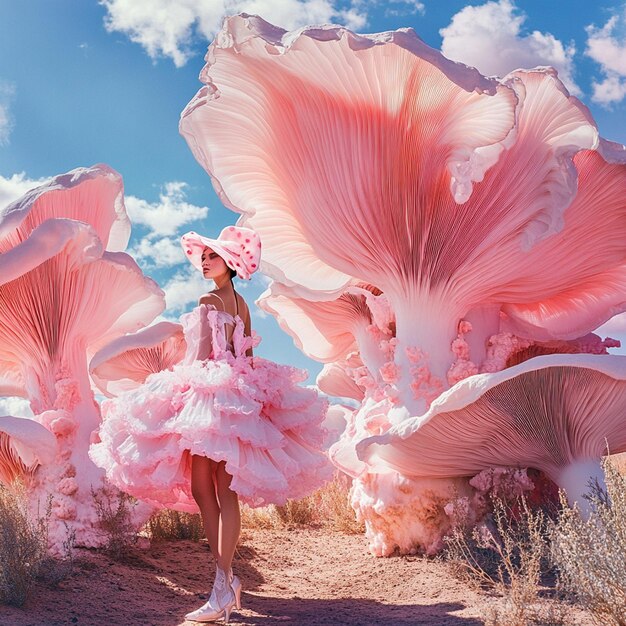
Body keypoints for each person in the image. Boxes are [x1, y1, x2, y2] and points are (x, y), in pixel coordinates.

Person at [90, 225, 332, 624]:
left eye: (212, 257)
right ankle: (227, 581)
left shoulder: (208, 299)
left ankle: (222, 586)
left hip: (210, 392)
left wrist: (183, 391)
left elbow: (201, 354)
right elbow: (247, 354)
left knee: (208, 490)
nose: (204, 262)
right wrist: (248, 397)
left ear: (229, 263)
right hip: (236, 394)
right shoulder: (241, 303)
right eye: (202, 257)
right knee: (219, 490)